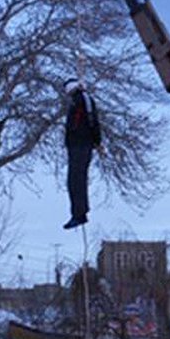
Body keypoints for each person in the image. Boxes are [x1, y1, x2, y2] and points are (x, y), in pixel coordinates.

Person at [62, 78, 103, 229]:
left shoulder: (82, 100)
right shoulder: (79, 100)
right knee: (75, 181)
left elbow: (92, 121)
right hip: (77, 146)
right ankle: (79, 213)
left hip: (81, 145)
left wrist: (97, 141)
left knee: (76, 180)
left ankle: (79, 214)